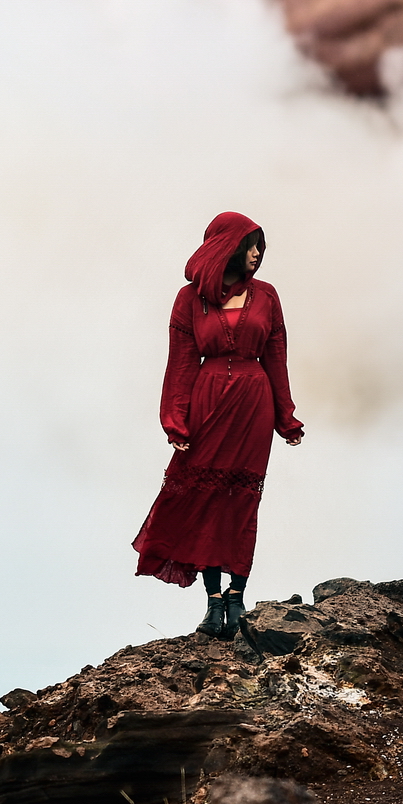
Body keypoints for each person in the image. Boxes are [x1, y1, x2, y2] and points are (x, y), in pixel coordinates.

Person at [131, 211, 303, 639]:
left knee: (241, 500)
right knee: (204, 498)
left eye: (261, 247)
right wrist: (176, 420)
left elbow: (276, 358)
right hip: (208, 405)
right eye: (251, 245)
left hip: (253, 405)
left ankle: (237, 594)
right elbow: (182, 362)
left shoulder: (267, 296)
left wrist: (286, 416)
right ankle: (212, 602)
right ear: (228, 247)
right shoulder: (189, 300)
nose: (258, 254)